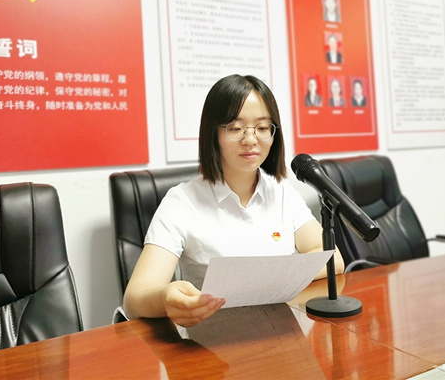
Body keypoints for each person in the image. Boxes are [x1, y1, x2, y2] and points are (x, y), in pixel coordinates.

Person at [123, 74, 344, 327]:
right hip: (214, 334)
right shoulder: (182, 202)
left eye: (262, 128)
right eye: (236, 128)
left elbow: (333, 259)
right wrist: (165, 298)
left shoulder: (282, 192)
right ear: (213, 134)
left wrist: (264, 278)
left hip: (279, 328)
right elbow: (134, 298)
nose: (250, 139)